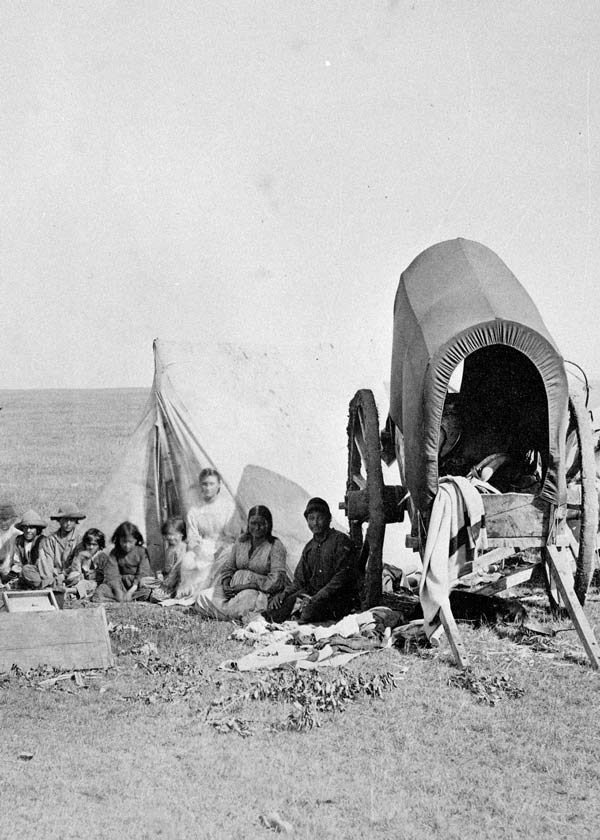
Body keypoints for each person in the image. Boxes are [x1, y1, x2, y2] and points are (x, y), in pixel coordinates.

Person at [265, 497, 358, 623]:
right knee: (274, 611)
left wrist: (315, 598)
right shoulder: (309, 548)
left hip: (337, 598)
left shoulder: (340, 541)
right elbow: (299, 581)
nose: (315, 523)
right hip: (312, 597)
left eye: (320, 518)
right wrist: (283, 595)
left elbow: (341, 579)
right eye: (311, 518)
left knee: (308, 612)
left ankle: (301, 619)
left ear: (329, 519)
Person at [219, 505, 288, 618]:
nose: (257, 527)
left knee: (244, 602)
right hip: (232, 590)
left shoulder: (275, 545)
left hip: (257, 592)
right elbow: (229, 567)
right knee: (203, 597)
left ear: (269, 524)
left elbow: (276, 580)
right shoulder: (241, 541)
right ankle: (232, 611)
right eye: (253, 523)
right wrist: (226, 584)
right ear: (248, 523)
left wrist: (247, 586)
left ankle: (230, 611)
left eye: (261, 523)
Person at [180, 468, 238, 597]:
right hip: (203, 546)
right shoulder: (195, 509)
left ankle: (210, 594)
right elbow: (192, 534)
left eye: (211, 484)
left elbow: (233, 535)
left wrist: (221, 548)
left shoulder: (228, 507)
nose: (207, 488)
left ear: (218, 485)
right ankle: (191, 593)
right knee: (188, 560)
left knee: (222, 560)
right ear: (200, 485)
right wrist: (196, 547)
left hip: (223, 546)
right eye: (204, 484)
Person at [91, 522, 153, 603]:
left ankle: (128, 597)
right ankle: (122, 598)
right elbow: (112, 574)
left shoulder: (142, 551)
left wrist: (131, 591)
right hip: (120, 583)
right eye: (124, 541)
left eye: (130, 542)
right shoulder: (115, 552)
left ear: (136, 540)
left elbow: (143, 572)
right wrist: (118, 591)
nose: (127, 545)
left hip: (136, 584)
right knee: (100, 591)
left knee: (146, 591)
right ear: (118, 540)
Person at [37, 503, 86, 590]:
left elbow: (76, 564)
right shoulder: (51, 539)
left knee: (76, 576)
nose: (68, 523)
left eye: (72, 520)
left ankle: (65, 588)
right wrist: (51, 577)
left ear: (76, 521)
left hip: (70, 575)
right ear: (59, 520)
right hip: (53, 575)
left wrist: (63, 575)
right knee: (28, 570)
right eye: (65, 520)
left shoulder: (80, 540)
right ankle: (51, 585)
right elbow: (47, 562)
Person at [0, 509, 46, 589]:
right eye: (26, 527)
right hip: (23, 573)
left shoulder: (42, 541)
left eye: (31, 528)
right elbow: (17, 562)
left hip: (39, 573)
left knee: (27, 570)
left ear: (37, 529)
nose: (28, 531)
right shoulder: (19, 541)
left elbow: (43, 565)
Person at [66, 528, 109, 596]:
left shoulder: (102, 557)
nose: (91, 547)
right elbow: (75, 569)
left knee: (84, 584)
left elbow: (106, 575)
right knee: (72, 576)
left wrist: (94, 573)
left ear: (100, 546)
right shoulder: (82, 554)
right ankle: (70, 590)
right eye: (89, 544)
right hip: (80, 578)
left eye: (94, 545)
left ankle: (70, 592)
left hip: (95, 583)